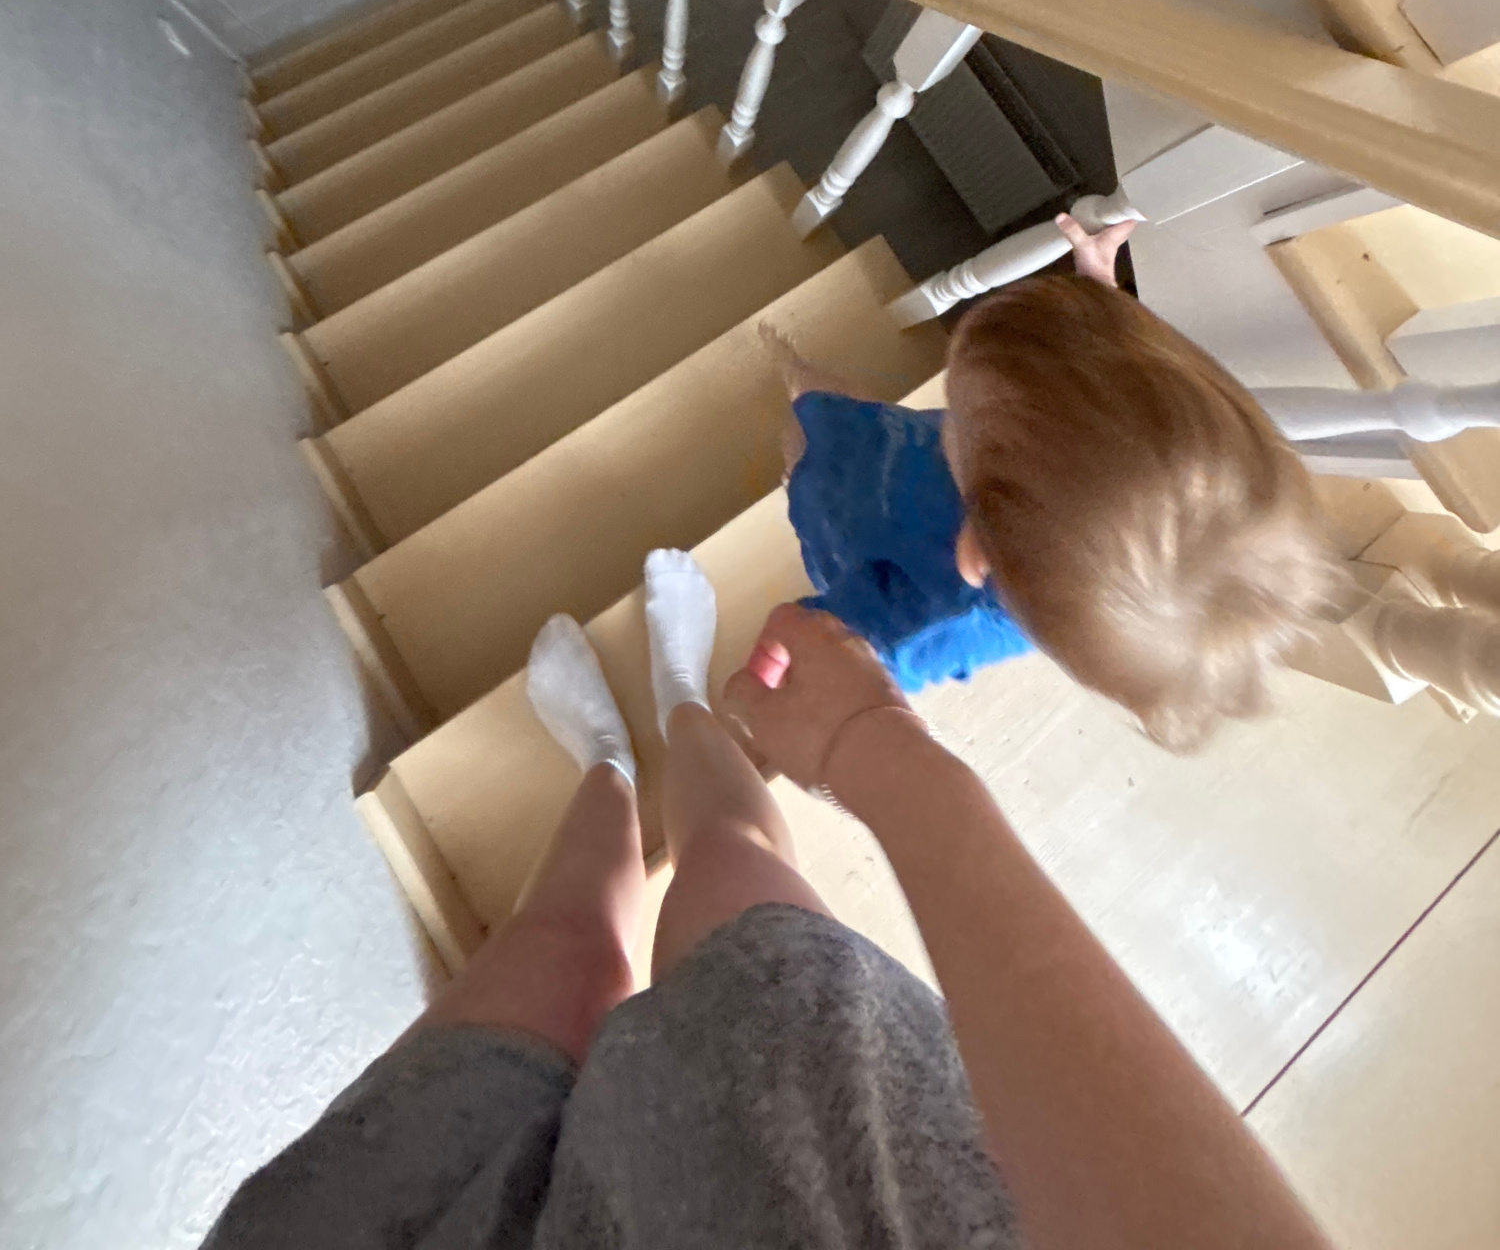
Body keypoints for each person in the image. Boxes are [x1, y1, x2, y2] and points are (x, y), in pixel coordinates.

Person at [205, 553, 1332, 1250]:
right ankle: (663, 718)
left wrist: (884, 751)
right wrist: (877, 747)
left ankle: (614, 760)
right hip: (832, 1171)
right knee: (698, 877)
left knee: (559, 960)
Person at [770, 212, 1345, 748]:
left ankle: (796, 437)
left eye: (966, 414)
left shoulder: (929, 624)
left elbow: (836, 652)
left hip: (853, 520)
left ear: (976, 550)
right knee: (843, 418)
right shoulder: (1064, 499)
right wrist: (1101, 303)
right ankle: (807, 405)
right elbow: (1124, 407)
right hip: (912, 468)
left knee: (813, 437)